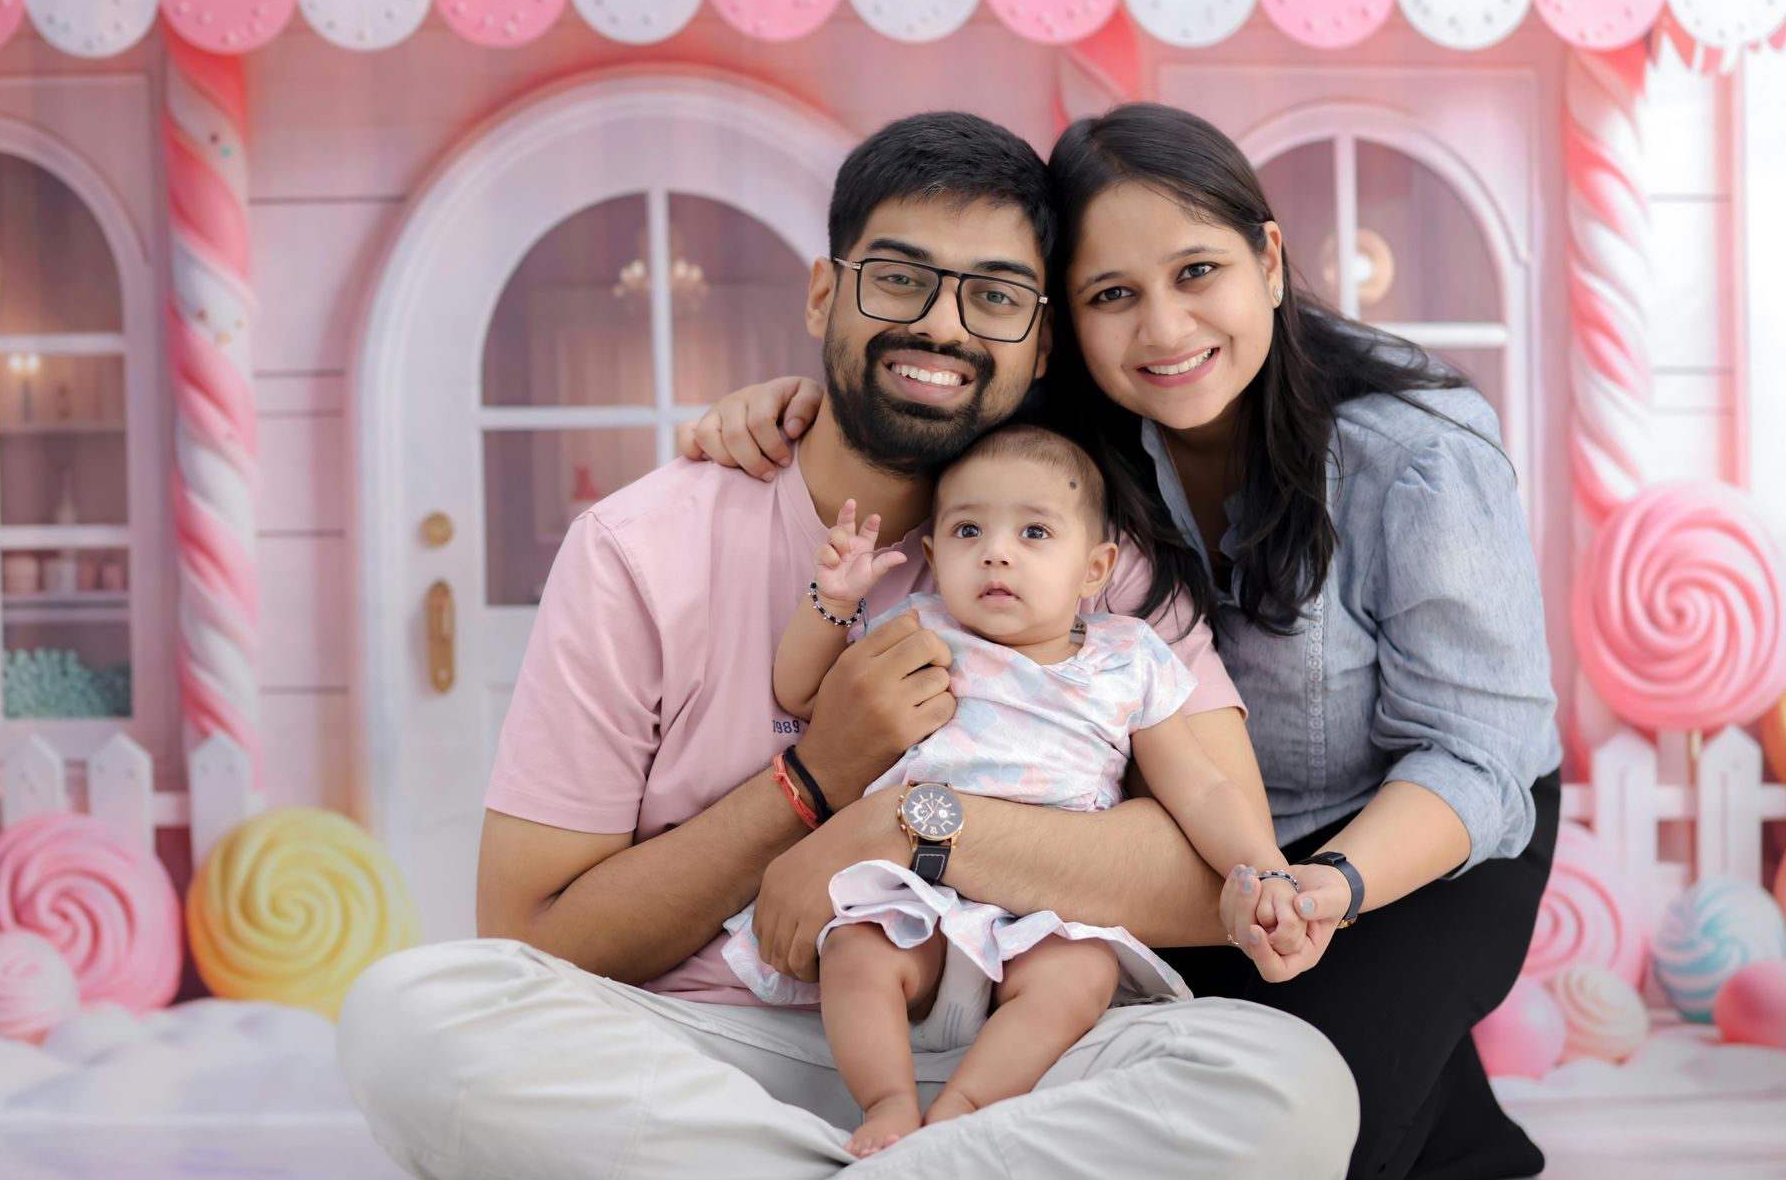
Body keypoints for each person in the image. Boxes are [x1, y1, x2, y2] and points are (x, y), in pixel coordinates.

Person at [335, 110, 1359, 1180]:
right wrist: (811, 781)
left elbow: (1213, 880)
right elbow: (536, 938)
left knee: (1290, 1086)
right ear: (826, 294)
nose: (945, 328)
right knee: (413, 1018)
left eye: (997, 297)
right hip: (707, 1054)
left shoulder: (1095, 554)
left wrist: (899, 829)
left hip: (1020, 1043)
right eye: (901, 279)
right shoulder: (642, 550)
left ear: (1041, 341)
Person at [679, 101, 1562, 1180]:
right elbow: (915, 401)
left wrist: (1327, 883)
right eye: (1113, 296)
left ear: (1269, 261)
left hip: (1411, 838)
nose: (1164, 332)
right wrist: (782, 406)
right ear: (1066, 320)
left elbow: (1478, 755)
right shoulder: (1072, 437)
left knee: (1312, 1123)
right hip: (1190, 853)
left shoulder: (1416, 455)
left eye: (1198, 273)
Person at [726, 427, 1310, 1156]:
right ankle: (887, 1102)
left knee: (1082, 976)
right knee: (856, 951)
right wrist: (832, 600)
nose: (997, 551)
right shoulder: (920, 630)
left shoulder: (1129, 658)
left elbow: (1200, 789)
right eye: (969, 529)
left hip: (1047, 903)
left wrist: (1265, 869)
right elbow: (801, 690)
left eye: (1035, 531)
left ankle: (965, 1110)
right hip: (917, 894)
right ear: (934, 557)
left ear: (1094, 567)